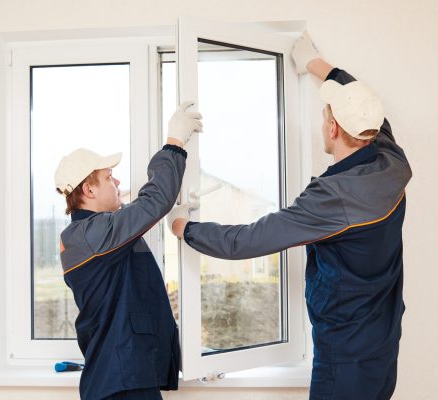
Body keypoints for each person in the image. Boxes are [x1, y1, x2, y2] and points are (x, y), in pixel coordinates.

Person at [167, 33, 412, 400]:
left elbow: (246, 240)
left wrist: (185, 228)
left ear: (332, 129)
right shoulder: (392, 160)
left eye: (326, 115)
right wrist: (316, 64)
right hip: (382, 343)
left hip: (344, 359)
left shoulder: (333, 199)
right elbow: (364, 101)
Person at [55, 101, 202, 400]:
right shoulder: (91, 234)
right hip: (121, 384)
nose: (118, 182)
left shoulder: (95, 234)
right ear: (89, 190)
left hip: (123, 379)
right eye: (109, 177)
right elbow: (152, 203)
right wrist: (174, 143)